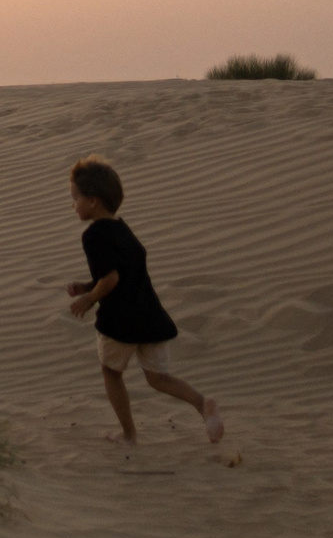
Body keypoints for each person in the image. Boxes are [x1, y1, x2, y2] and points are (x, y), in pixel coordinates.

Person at [64, 156, 224, 445]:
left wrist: (89, 299)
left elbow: (111, 279)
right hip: (150, 316)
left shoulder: (93, 236)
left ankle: (129, 435)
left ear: (93, 202)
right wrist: (87, 284)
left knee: (111, 372)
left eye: (75, 198)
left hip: (120, 321)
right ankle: (203, 405)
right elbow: (122, 272)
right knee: (158, 378)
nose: (72, 204)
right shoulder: (123, 229)